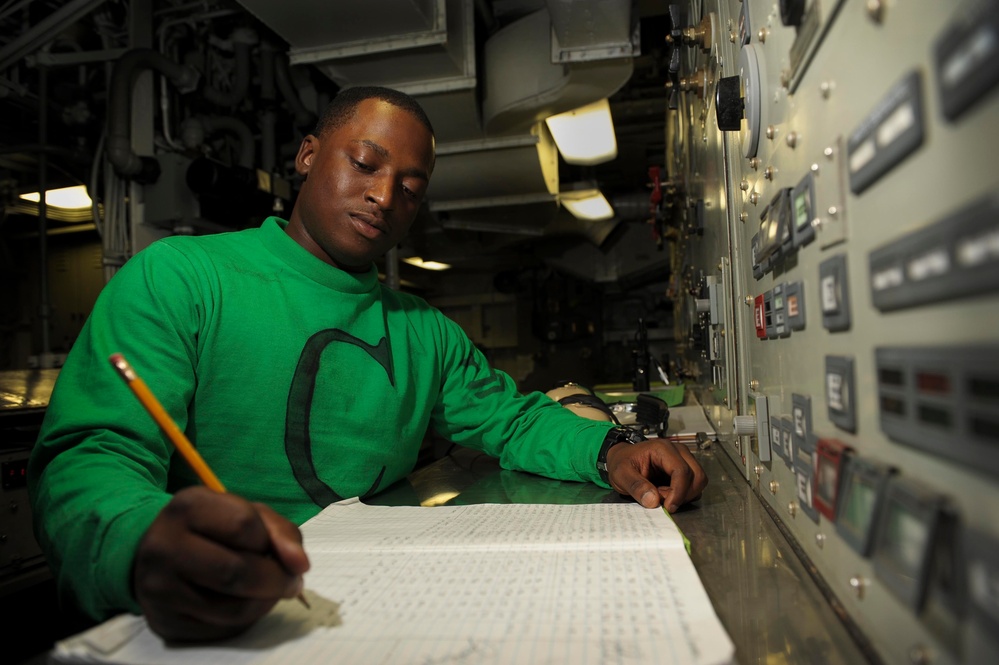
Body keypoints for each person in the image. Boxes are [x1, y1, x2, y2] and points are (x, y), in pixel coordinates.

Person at [28, 86, 707, 643]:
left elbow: (509, 419)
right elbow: (90, 458)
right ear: (306, 154)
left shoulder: (425, 332)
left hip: (366, 620)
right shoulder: (178, 280)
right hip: (209, 622)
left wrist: (613, 447)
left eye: (411, 187)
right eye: (365, 164)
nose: (386, 196)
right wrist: (141, 543)